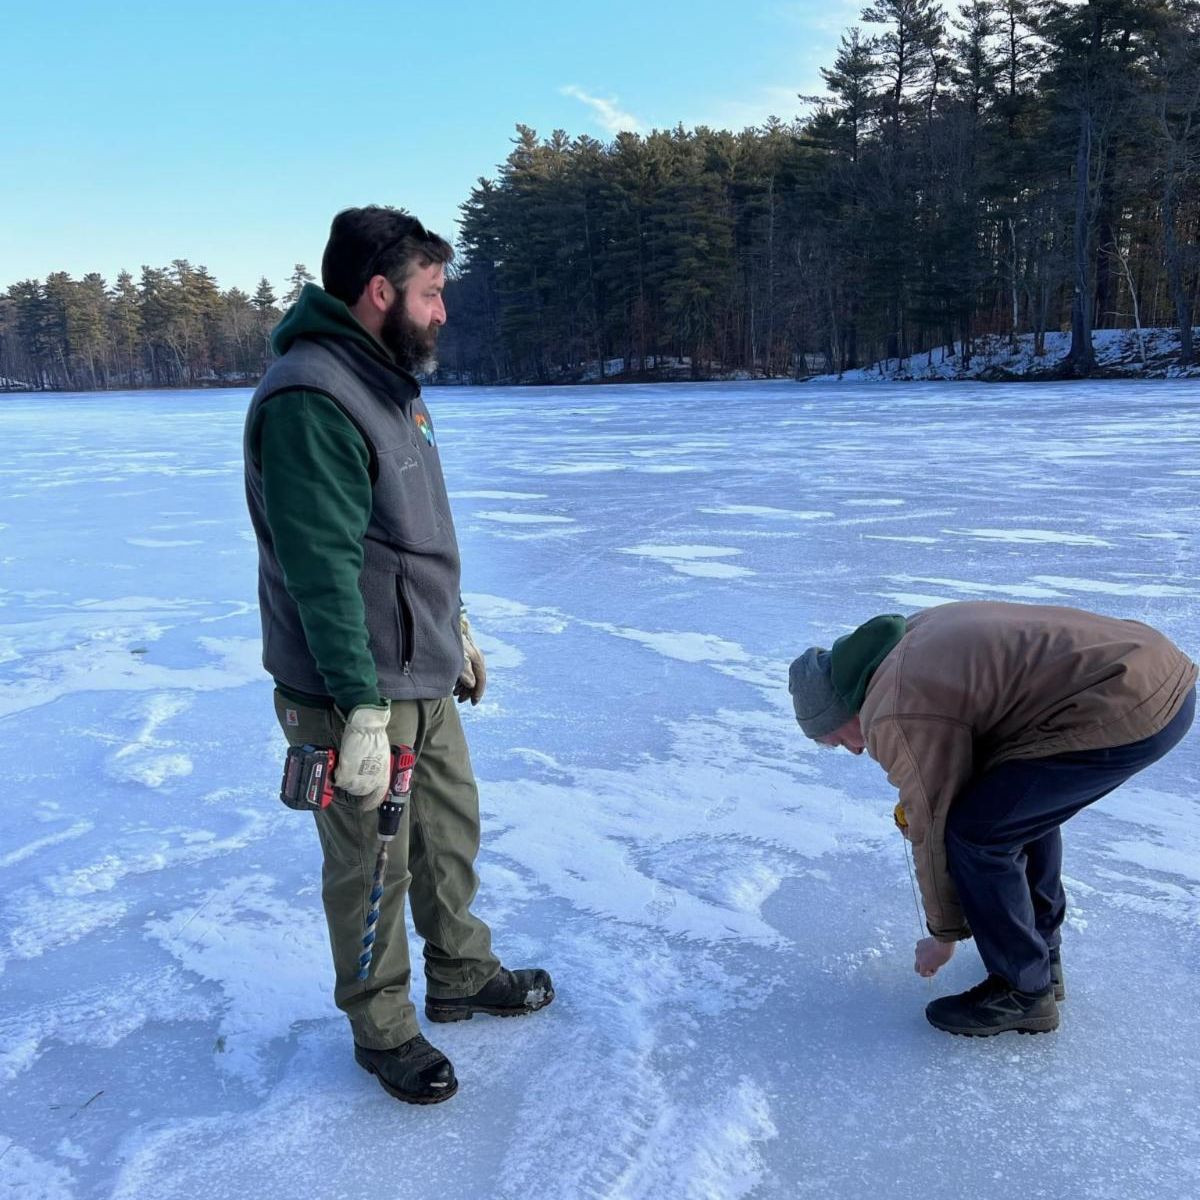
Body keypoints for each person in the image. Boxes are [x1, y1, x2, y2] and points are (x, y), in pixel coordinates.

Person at [243, 205, 553, 1104]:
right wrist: (360, 708)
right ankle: (382, 1028)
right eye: (430, 292)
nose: (442, 310)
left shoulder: (386, 384)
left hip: (420, 667)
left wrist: (453, 625)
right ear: (380, 293)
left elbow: (407, 536)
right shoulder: (312, 396)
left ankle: (460, 974)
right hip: (353, 690)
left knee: (447, 834)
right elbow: (322, 568)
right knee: (372, 862)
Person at [787, 600, 1195, 1037]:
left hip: (1126, 702)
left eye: (835, 739)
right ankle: (1039, 954)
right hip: (1151, 671)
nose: (853, 749)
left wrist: (942, 936)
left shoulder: (894, 707)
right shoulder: (904, 638)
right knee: (1010, 808)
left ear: (841, 710)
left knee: (977, 835)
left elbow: (933, 826)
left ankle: (1023, 991)